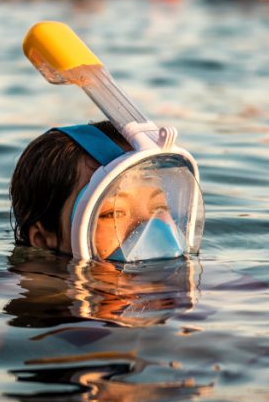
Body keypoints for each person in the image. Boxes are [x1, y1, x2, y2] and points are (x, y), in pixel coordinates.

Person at [11, 22, 204, 263]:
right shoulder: (30, 293)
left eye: (159, 209)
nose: (149, 230)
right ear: (43, 240)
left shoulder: (214, 285)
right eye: (114, 213)